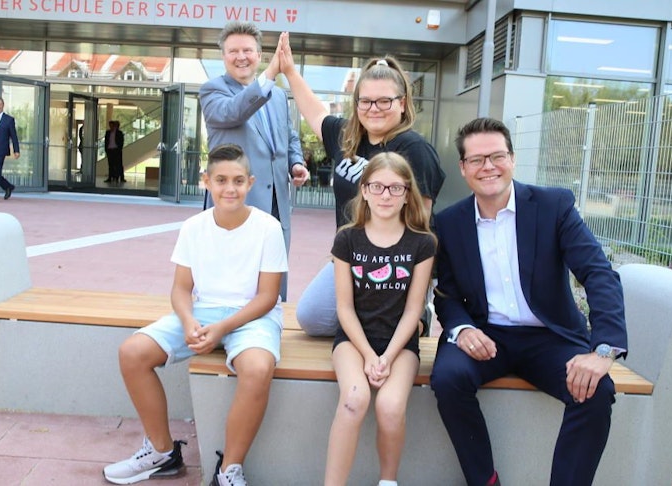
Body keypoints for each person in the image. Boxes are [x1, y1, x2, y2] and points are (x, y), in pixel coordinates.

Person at [430, 117, 628, 486]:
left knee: (597, 391)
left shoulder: (553, 206)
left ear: (513, 159)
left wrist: (603, 350)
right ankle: (485, 480)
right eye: (476, 159)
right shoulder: (448, 222)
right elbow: (447, 293)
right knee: (448, 378)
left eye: (497, 156)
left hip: (549, 336)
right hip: (486, 334)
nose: (488, 166)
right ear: (463, 168)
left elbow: (599, 273)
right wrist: (461, 328)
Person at [103, 143, 286, 486]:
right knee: (132, 352)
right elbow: (181, 289)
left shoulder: (268, 228)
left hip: (252, 316)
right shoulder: (193, 227)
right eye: (221, 180)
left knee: (259, 369)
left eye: (237, 180)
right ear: (206, 181)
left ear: (251, 182)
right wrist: (189, 322)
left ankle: (228, 469)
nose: (229, 188)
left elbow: (267, 297)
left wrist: (221, 329)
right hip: (202, 311)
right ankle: (161, 452)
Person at [275, 32, 445, 337]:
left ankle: (420, 312)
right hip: (351, 256)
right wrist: (289, 71)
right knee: (312, 317)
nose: (374, 108)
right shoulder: (348, 137)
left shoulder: (414, 150)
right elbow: (314, 111)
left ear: (402, 103)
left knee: (385, 327)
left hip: (396, 261)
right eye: (365, 101)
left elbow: (421, 223)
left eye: (384, 100)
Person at [324, 152, 436, 486]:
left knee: (389, 405)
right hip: (353, 341)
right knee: (354, 399)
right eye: (378, 186)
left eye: (395, 188)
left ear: (406, 195)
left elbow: (414, 310)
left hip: (400, 345)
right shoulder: (347, 239)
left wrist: (386, 357)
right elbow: (344, 308)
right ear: (365, 190)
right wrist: (370, 356)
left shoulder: (423, 243)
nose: (386, 195)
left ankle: (388, 481)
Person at [200, 21, 309, 299]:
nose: (241, 57)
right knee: (235, 280)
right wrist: (273, 72)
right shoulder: (212, 91)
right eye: (233, 51)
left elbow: (289, 136)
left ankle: (271, 326)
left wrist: (296, 163)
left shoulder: (277, 96)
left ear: (258, 55)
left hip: (277, 206)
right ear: (223, 56)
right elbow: (235, 111)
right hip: (236, 205)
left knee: (273, 275)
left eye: (247, 50)